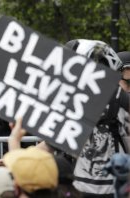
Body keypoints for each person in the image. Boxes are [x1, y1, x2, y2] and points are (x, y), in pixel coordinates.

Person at [65, 39, 129, 198]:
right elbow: (49, 146)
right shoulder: (71, 105)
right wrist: (15, 161)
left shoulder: (122, 101)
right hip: (80, 189)